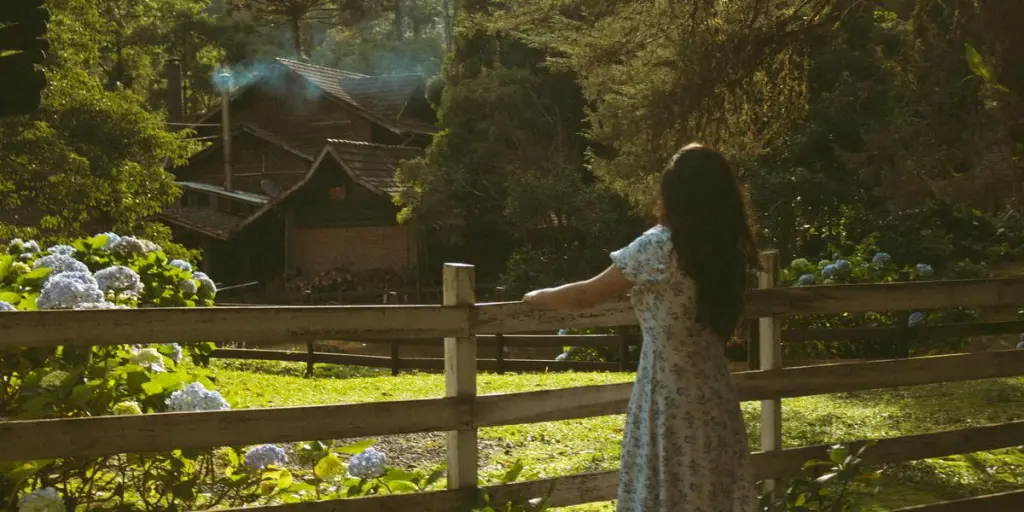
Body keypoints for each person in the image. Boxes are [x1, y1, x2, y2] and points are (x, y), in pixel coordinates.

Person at [523, 143, 761, 511]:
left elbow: (588, 294)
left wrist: (537, 295)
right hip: (714, 390)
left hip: (668, 392)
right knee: (712, 486)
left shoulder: (659, 248)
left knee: (668, 486)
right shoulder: (727, 251)